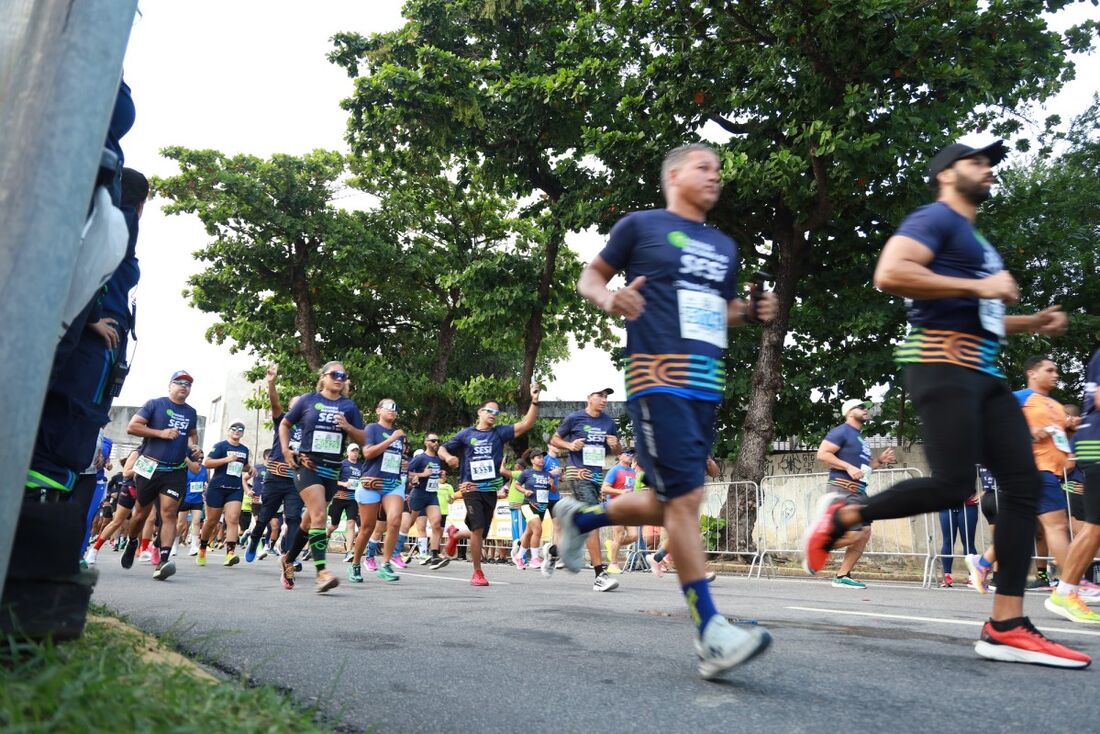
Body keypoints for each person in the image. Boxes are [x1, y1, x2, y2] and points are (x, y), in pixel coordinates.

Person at [804, 139, 1089, 667]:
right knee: (954, 484)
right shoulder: (934, 218)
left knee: (1023, 487)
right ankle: (847, 515)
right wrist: (983, 286)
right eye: (976, 161)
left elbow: (977, 314)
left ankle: (1007, 624)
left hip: (984, 373)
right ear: (945, 172)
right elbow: (890, 273)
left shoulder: (977, 241)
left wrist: (1030, 323)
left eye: (989, 164)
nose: (987, 170)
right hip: (937, 362)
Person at [567, 143, 776, 677]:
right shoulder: (641, 226)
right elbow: (589, 278)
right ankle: (711, 631)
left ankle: (582, 517)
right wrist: (610, 298)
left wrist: (751, 311)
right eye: (705, 167)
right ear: (675, 175)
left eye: (719, 170)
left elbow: (719, 310)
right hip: (656, 377)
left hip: (705, 383)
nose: (716, 177)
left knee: (672, 501)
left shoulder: (724, 246)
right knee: (684, 503)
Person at [439, 385, 541, 586]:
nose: (493, 415)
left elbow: (526, 423)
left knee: (482, 532)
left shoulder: (499, 433)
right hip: (470, 489)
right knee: (478, 529)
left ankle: (455, 534)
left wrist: (535, 400)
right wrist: (449, 457)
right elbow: (443, 448)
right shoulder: (466, 434)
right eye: (490, 411)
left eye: (496, 412)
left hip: (490, 490)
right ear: (480, 412)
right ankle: (477, 572)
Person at [280, 361, 366, 593]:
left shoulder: (349, 406)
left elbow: (364, 441)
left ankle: (288, 559)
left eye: (343, 375)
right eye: (334, 374)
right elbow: (285, 424)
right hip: (308, 466)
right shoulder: (308, 400)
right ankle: (321, 573)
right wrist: (287, 450)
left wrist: (348, 427)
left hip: (332, 470)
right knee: (320, 515)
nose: (339, 378)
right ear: (323, 377)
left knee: (309, 521)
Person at [120, 371, 202, 581]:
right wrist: (161, 433)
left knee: (168, 512)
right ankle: (131, 542)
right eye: (179, 382)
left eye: (188, 384)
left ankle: (164, 559)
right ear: (170, 386)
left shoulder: (191, 412)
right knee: (140, 514)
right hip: (150, 466)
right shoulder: (154, 404)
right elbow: (132, 427)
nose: (184, 386)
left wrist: (194, 448)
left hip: (175, 470)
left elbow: (192, 434)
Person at [814, 399, 896, 589]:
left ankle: (842, 575)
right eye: (861, 407)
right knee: (854, 534)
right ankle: (817, 547)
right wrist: (848, 467)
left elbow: (863, 469)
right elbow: (823, 454)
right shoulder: (841, 431)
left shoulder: (860, 439)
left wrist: (879, 461)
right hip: (843, 489)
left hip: (859, 490)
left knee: (864, 532)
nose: (865, 410)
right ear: (849, 412)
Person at [1046, 347, 1100, 623]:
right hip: (1096, 447)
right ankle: (1066, 591)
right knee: (1093, 528)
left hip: (1091, 448)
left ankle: (1066, 590)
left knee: (1093, 529)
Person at [551, 388, 622, 591]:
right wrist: (570, 445)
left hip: (596, 476)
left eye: (606, 397)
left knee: (585, 518)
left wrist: (615, 444)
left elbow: (618, 451)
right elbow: (554, 440)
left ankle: (556, 549)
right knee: (593, 519)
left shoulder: (608, 422)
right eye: (599, 395)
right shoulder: (575, 418)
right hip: (578, 473)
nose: (603, 400)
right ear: (588, 398)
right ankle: (600, 574)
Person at [244, 365, 304, 565]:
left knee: (294, 518)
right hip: (275, 476)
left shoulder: (311, 428)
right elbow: (274, 403)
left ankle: (290, 556)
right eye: (296, 404)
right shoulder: (284, 421)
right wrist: (271, 383)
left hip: (296, 480)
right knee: (265, 515)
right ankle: (253, 541)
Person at [350, 400, 407, 583]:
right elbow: (368, 453)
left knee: (396, 520)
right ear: (378, 410)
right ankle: (356, 563)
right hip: (371, 483)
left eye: (395, 408)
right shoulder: (372, 428)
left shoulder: (400, 435)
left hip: (393, 483)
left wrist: (402, 463)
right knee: (368, 528)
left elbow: (392, 458)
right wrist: (391, 439)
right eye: (389, 407)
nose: (393, 410)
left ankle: (386, 564)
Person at [197, 422, 251, 567]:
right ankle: (202, 548)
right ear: (228, 431)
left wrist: (250, 468)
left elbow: (243, 465)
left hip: (235, 488)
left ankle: (230, 553)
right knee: (211, 522)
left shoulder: (244, 449)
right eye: (234, 428)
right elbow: (207, 463)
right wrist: (226, 459)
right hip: (217, 487)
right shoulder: (220, 446)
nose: (237, 431)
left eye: (241, 429)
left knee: (233, 519)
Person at [405, 434, 450, 570]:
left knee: (436, 524)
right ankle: (395, 547)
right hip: (419, 494)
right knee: (410, 523)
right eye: (433, 440)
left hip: (431, 495)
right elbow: (406, 472)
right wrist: (422, 475)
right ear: (426, 442)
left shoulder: (437, 459)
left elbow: (434, 475)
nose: (436, 442)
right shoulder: (420, 458)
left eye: (438, 440)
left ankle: (434, 556)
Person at [515, 449, 555, 570]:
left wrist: (552, 485)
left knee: (529, 533)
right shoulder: (527, 473)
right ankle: (534, 558)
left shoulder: (548, 474)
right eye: (538, 457)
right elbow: (517, 485)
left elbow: (553, 490)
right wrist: (525, 491)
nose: (541, 459)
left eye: (542, 457)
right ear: (532, 460)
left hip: (541, 507)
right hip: (528, 505)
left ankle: (519, 556)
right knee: (538, 529)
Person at [601, 449, 638, 574]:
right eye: (627, 454)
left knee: (634, 536)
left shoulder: (633, 471)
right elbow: (604, 489)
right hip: (616, 506)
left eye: (631, 454)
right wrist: (621, 492)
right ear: (620, 456)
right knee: (620, 535)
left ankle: (612, 545)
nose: (630, 456)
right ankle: (613, 564)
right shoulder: (614, 470)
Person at [331, 443, 363, 563]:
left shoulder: (361, 466)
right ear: (348, 453)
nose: (355, 453)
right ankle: (322, 540)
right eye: (353, 451)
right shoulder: (342, 464)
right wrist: (343, 484)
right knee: (333, 526)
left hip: (353, 499)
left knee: (351, 523)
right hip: (339, 497)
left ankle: (348, 552)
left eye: (357, 451)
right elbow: (333, 479)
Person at [179, 448, 207, 556]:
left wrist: (205, 488)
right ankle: (174, 545)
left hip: (198, 499)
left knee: (196, 522)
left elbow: (206, 482)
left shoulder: (204, 469)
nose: (200, 460)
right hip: (186, 498)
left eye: (202, 458)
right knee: (181, 524)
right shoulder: (186, 467)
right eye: (198, 457)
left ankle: (194, 546)